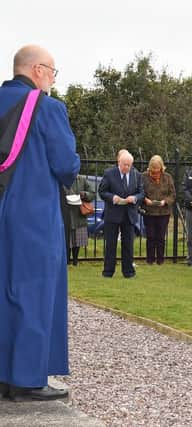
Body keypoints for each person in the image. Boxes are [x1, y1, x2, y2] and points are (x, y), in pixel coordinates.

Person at [0, 45, 80, 401]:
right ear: (37, 70)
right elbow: (66, 165)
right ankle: (26, 379)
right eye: (53, 72)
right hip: (31, 214)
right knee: (33, 292)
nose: (52, 79)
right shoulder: (47, 108)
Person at [99, 150, 144, 278]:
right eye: (124, 165)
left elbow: (142, 193)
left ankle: (128, 272)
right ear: (119, 162)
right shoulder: (109, 173)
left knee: (128, 244)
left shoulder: (137, 175)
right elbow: (102, 191)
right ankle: (108, 271)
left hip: (129, 214)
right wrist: (113, 198)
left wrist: (134, 198)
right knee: (111, 244)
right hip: (113, 213)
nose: (127, 168)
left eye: (129, 165)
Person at [141, 155, 176, 265]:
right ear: (149, 169)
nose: (155, 173)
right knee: (150, 236)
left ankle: (160, 260)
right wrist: (145, 199)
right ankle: (150, 260)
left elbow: (173, 194)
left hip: (163, 212)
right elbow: (139, 191)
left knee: (160, 237)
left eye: (157, 171)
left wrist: (165, 201)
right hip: (149, 211)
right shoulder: (143, 177)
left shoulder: (168, 177)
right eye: (153, 171)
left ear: (161, 168)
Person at [63, 174, 95, 266]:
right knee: (67, 238)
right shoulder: (62, 178)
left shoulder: (82, 179)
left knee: (77, 239)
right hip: (66, 211)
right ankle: (67, 261)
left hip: (79, 213)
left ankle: (75, 261)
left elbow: (92, 193)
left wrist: (85, 194)